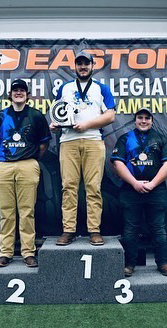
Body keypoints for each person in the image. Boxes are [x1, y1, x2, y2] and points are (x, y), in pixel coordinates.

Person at [50, 51, 115, 246]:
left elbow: (110, 116)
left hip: (93, 140)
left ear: (93, 66)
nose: (83, 67)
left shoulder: (101, 89)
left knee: (93, 187)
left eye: (86, 63)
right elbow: (57, 112)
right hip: (68, 141)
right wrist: (55, 123)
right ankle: (68, 230)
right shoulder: (65, 88)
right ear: (75, 67)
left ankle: (94, 230)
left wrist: (87, 125)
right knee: (68, 187)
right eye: (79, 64)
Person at [0, 79, 51, 268]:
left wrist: (30, 159)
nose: (19, 93)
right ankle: (5, 252)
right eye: (15, 90)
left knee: (27, 211)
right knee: (6, 212)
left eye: (22, 90)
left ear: (27, 95)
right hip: (3, 167)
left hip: (27, 165)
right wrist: (4, 159)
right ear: (10, 94)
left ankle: (28, 253)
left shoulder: (36, 116)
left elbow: (43, 144)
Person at [110, 108, 167, 277]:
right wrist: (135, 183)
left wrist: (152, 184)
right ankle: (129, 264)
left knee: (158, 230)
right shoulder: (125, 138)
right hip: (130, 191)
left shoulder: (161, 138)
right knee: (130, 230)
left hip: (156, 191)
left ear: (152, 121)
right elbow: (118, 163)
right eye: (140, 117)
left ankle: (163, 263)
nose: (144, 121)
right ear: (135, 120)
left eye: (147, 118)